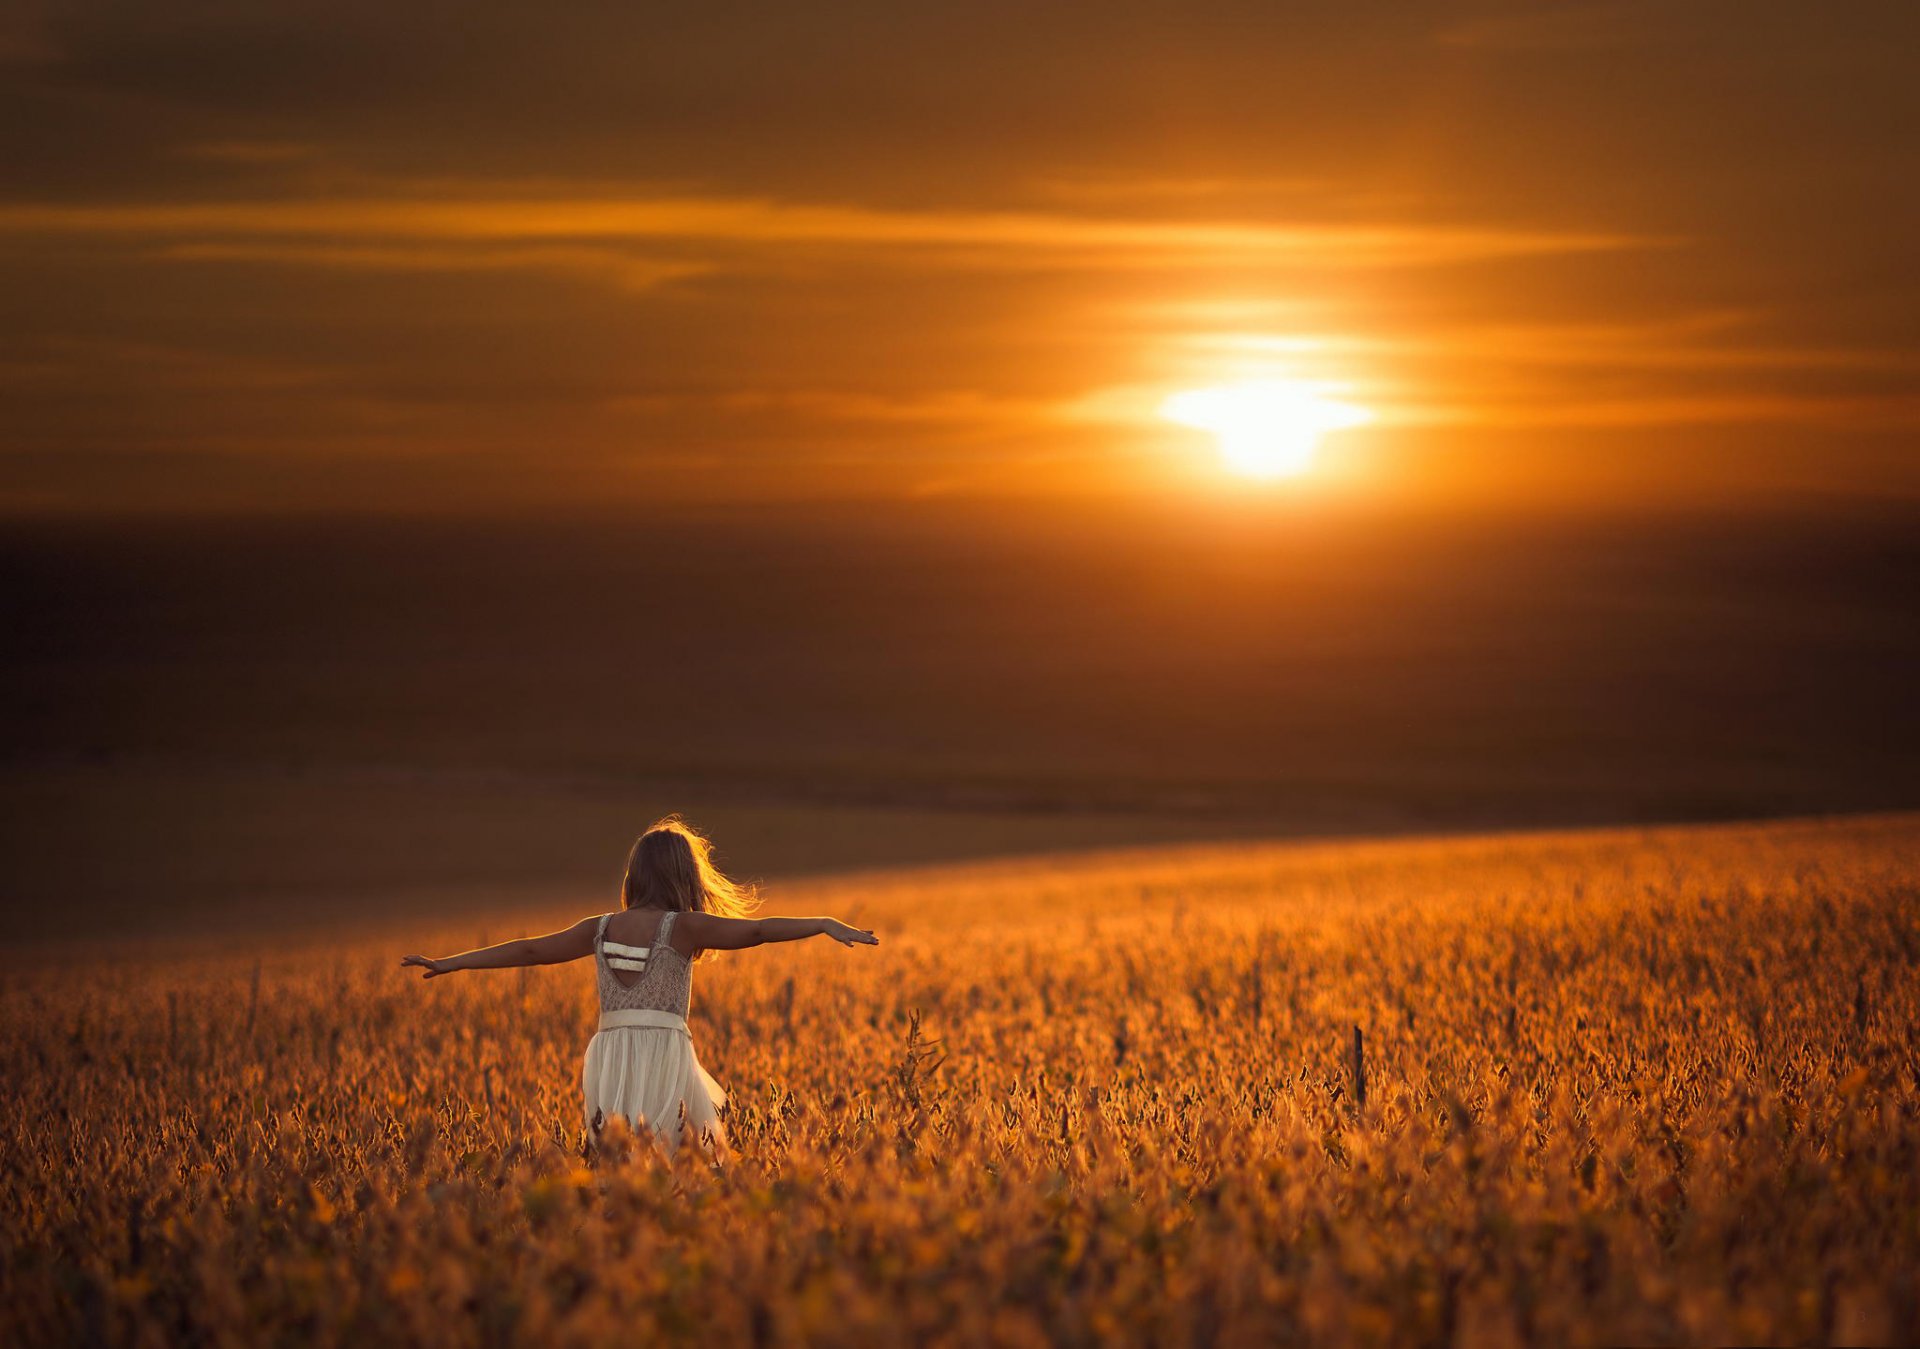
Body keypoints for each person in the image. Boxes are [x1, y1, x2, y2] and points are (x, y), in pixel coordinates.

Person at [400, 815, 877, 1155]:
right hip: (665, 1053)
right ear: (686, 876)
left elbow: (529, 951)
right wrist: (821, 923)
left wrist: (452, 963)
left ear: (635, 875)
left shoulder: (599, 927)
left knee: (616, 1155)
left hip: (610, 1054)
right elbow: (757, 931)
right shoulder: (683, 927)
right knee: (677, 1155)